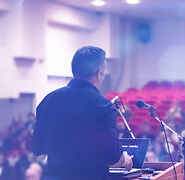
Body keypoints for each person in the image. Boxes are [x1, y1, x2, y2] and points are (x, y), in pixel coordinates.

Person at [32, 46, 132, 180]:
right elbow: (112, 157)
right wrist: (123, 159)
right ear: (99, 73)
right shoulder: (103, 106)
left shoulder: (47, 101)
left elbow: (38, 148)